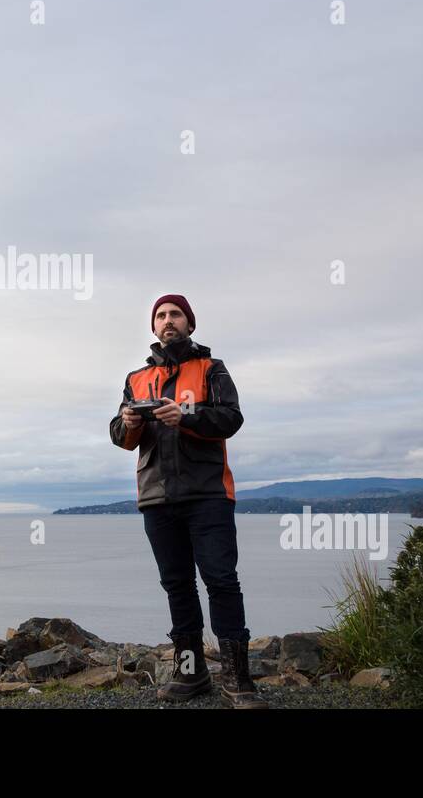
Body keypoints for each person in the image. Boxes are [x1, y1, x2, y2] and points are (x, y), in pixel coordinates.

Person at [109, 294, 265, 708]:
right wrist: (125, 423)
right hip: (157, 498)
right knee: (177, 585)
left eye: (175, 314)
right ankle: (191, 674)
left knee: (221, 581)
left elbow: (231, 418)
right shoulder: (136, 379)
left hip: (209, 494)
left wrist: (187, 418)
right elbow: (121, 439)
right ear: (153, 327)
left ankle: (237, 679)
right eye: (161, 316)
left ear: (189, 324)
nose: (168, 321)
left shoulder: (211, 368)